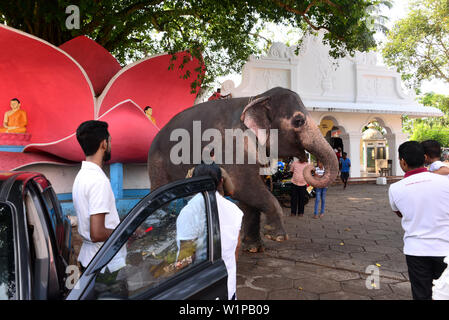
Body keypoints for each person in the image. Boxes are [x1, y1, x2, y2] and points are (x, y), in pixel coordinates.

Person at [388, 141, 449, 300]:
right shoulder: (445, 181)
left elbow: (401, 214)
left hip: (416, 251)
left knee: (422, 295)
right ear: (424, 157)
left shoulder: (395, 188)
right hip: (445, 248)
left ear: (402, 162)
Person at [72, 120, 127, 274]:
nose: (110, 145)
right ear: (104, 144)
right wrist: (125, 231)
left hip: (90, 259)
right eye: (110, 141)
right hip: (105, 265)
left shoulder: (81, 176)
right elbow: (97, 233)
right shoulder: (98, 181)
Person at [191, 163, 243, 300]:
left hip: (198, 287)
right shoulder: (236, 211)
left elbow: (187, 253)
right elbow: (236, 246)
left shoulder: (189, 212)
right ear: (220, 181)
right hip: (226, 283)